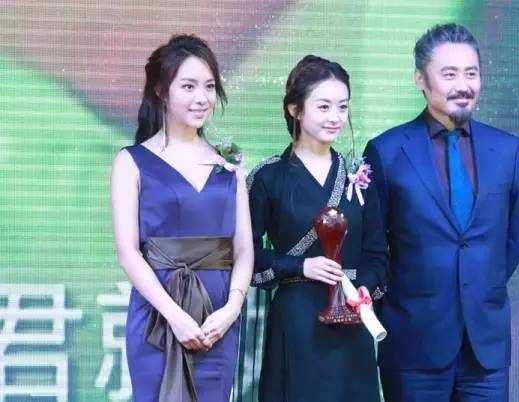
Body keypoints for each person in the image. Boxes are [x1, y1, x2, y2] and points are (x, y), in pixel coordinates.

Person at [363, 23, 519, 402]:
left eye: (472, 73)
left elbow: (514, 238)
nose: (463, 85)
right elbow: (373, 246)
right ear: (420, 80)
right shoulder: (387, 151)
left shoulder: (507, 150)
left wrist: (479, 285)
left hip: (485, 346)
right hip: (413, 341)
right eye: (450, 74)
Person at [110, 34, 253, 402]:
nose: (201, 97)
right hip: (158, 320)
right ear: (161, 90)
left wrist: (232, 308)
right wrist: (174, 316)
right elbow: (128, 252)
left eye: (209, 86)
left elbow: (244, 249)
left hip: (218, 322)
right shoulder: (131, 161)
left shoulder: (229, 160)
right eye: (188, 86)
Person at [248, 55, 388, 402]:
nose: (335, 117)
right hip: (297, 317)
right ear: (295, 109)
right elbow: (245, 256)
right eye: (323, 106)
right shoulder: (268, 177)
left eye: (343, 106)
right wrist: (300, 266)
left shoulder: (360, 176)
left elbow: (376, 253)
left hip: (352, 318)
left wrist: (365, 288)